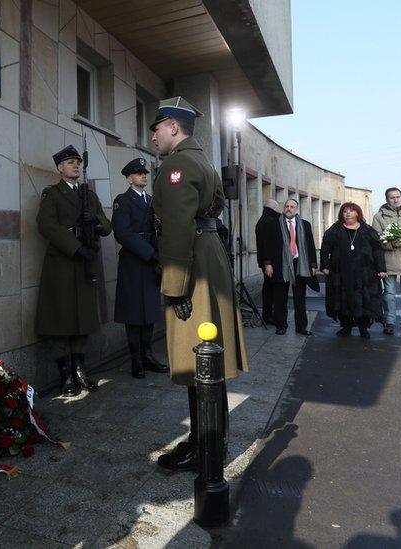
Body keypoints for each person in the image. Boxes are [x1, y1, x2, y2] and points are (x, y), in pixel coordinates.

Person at [149, 96, 248, 471]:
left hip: (192, 267)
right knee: (210, 363)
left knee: (198, 363)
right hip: (209, 256)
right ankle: (211, 442)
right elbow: (216, 206)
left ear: (173, 126)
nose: (154, 136)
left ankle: (204, 447)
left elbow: (176, 228)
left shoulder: (176, 164)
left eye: (157, 128)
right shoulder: (203, 160)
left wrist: (174, 286)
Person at [35, 145, 113, 396]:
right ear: (60, 168)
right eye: (70, 162)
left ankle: (80, 368)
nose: (76, 166)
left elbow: (107, 225)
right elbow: (46, 225)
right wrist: (75, 246)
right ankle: (66, 373)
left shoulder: (88, 195)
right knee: (62, 317)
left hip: (85, 263)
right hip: (62, 262)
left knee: (83, 316)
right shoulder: (53, 194)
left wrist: (96, 222)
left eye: (78, 162)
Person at [112, 157, 169, 379]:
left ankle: (148, 355)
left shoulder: (152, 201)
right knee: (133, 313)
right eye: (138, 173)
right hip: (134, 261)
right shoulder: (123, 201)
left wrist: (160, 254)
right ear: (128, 178)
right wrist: (149, 253)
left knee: (150, 311)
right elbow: (122, 233)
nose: (143, 175)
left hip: (152, 261)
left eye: (144, 173)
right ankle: (136, 359)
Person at [320, 203, 386, 338]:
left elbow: (377, 250)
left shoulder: (368, 230)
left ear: (357, 213)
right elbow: (325, 249)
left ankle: (363, 328)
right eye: (345, 211)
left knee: (364, 299)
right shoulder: (335, 230)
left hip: (364, 273)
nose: (348, 213)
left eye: (351, 211)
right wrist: (325, 266)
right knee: (342, 299)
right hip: (340, 273)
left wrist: (381, 269)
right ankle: (346, 326)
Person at [261, 198, 318, 336]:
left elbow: (310, 245)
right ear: (283, 208)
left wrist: (313, 264)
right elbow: (266, 245)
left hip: (300, 264)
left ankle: (301, 327)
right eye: (286, 206)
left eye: (292, 206)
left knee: (300, 298)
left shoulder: (305, 225)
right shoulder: (274, 224)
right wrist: (267, 264)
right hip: (280, 265)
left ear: (297, 209)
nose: (289, 209)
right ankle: (281, 325)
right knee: (280, 298)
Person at [371, 187, 401, 335]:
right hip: (388, 260)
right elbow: (376, 238)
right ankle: (389, 322)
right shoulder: (379, 217)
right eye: (392, 197)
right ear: (386, 199)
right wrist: (393, 243)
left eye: (398, 196)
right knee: (389, 293)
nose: (396, 199)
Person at [254, 198, 281, 325]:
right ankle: (269, 315)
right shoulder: (269, 221)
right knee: (272, 289)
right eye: (277, 208)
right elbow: (267, 244)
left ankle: (268, 314)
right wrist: (268, 263)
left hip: (266, 260)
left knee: (269, 288)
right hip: (269, 261)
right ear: (273, 208)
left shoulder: (263, 220)